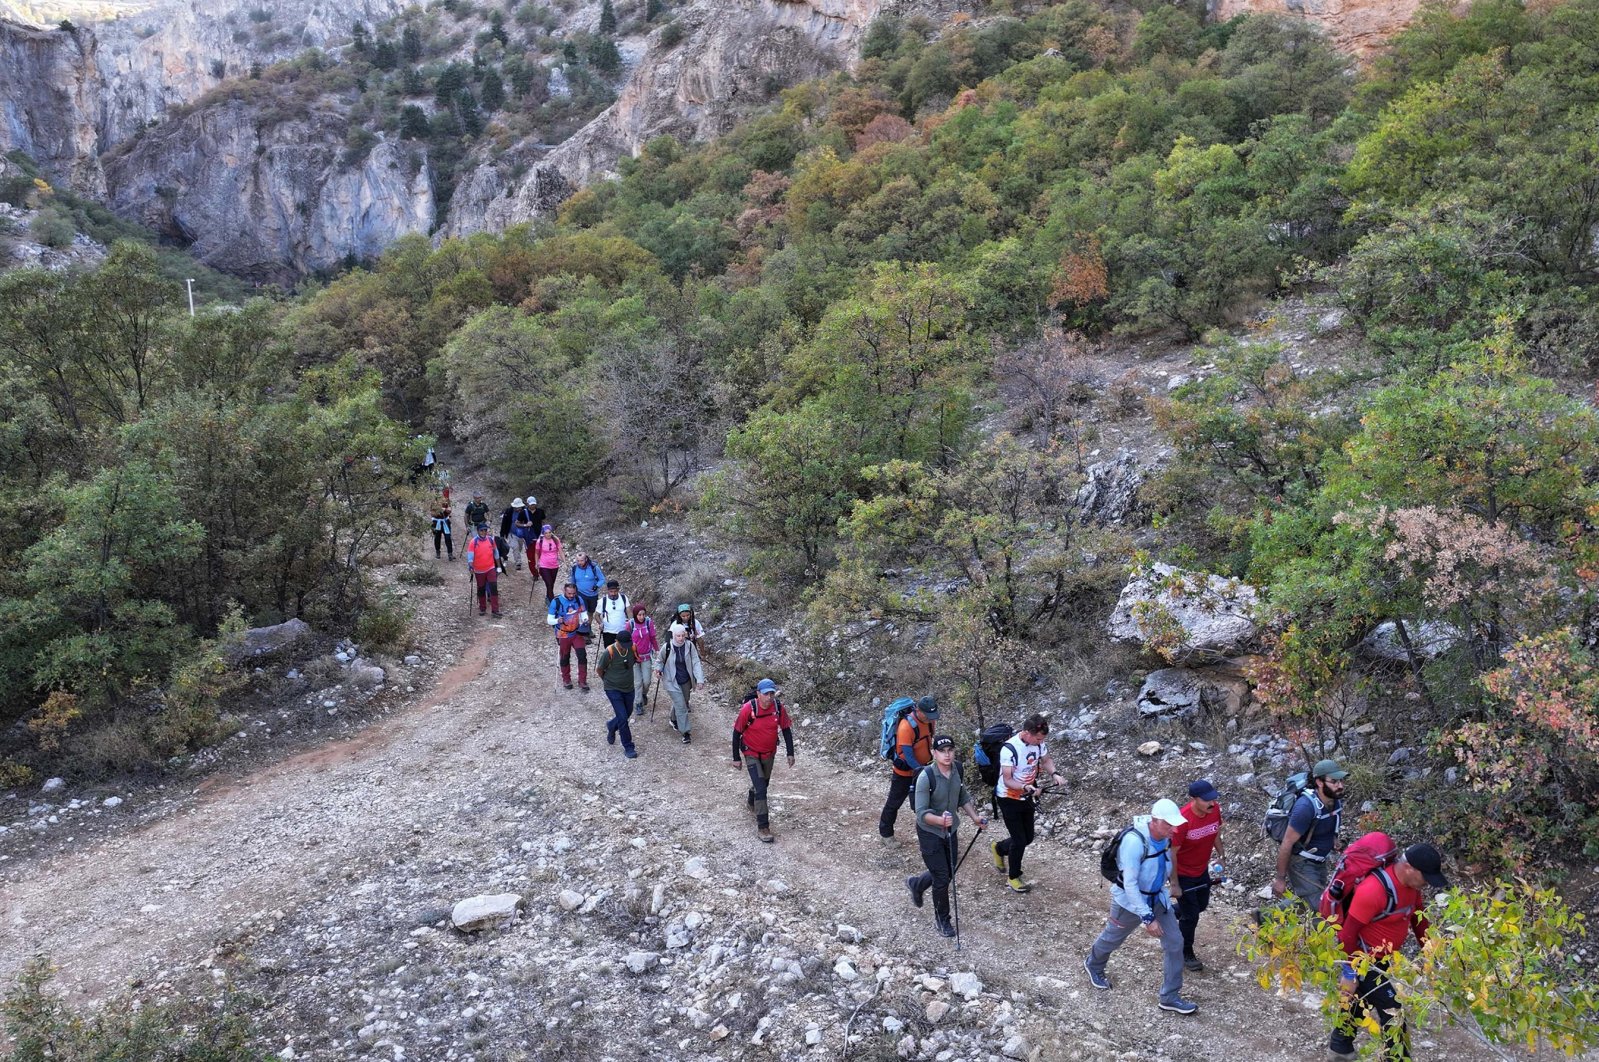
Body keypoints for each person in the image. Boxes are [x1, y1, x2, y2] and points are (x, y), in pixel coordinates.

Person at [1328, 844, 1448, 1060]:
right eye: (1426, 877)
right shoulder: (1373, 890)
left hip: (1383, 959)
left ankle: (1340, 1048)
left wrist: (1432, 957)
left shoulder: (1412, 888)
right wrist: (1350, 973)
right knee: (1393, 1010)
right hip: (1363, 960)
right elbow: (1347, 935)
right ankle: (1397, 1058)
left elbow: (1418, 920)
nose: (1427, 883)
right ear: (1410, 868)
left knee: (1360, 1002)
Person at [1084, 798, 1199, 1015]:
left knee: (1175, 942)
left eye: (1175, 825)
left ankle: (1170, 997)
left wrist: (1172, 885)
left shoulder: (1164, 835)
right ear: (1154, 821)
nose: (1174, 829)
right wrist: (1147, 918)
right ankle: (1094, 965)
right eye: (1168, 824)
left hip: (1157, 899)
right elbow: (1130, 884)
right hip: (1129, 902)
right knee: (1113, 938)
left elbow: (1166, 862)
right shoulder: (1134, 842)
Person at [905, 735, 986, 938]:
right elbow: (922, 813)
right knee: (942, 878)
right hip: (930, 832)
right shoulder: (926, 777)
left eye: (950, 750)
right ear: (934, 753)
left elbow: (962, 796)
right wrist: (941, 821)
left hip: (951, 830)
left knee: (947, 870)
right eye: (942, 751)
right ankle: (943, 920)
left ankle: (917, 884)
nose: (947, 754)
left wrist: (975, 817)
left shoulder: (957, 769)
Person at [990, 713, 1063, 893]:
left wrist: (1054, 774)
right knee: (1019, 840)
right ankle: (1014, 877)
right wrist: (1026, 787)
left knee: (1028, 837)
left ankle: (999, 848)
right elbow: (1007, 780)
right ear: (1027, 732)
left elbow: (1046, 760)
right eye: (1038, 739)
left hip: (1027, 795)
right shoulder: (1009, 749)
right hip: (1008, 797)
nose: (1040, 743)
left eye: (1042, 740)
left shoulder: (1038, 743)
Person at [1271, 758, 1348, 912]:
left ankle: (1264, 917)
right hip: (1302, 862)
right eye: (1334, 781)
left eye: (1341, 781)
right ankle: (1326, 936)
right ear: (1319, 782)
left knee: (1307, 901)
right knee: (1321, 908)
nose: (1340, 786)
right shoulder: (1305, 807)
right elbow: (1287, 843)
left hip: (1320, 861)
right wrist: (1280, 879)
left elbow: (1325, 826)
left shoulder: (1334, 800)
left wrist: (1335, 842)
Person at [1170, 779, 1226, 972]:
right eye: (1206, 800)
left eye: (1213, 799)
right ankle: (1184, 952)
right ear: (1193, 799)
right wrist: (1174, 883)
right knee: (1191, 915)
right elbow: (1172, 853)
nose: (1212, 803)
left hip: (1201, 869)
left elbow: (1215, 832)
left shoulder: (1215, 810)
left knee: (1201, 905)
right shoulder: (1183, 820)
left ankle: (1170, 912)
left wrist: (1221, 856)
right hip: (1183, 873)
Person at [731, 679, 794, 843]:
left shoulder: (778, 708)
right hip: (750, 752)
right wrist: (736, 758)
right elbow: (736, 733)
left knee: (763, 784)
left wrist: (790, 753)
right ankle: (763, 827)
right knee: (762, 789)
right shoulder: (748, 709)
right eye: (766, 693)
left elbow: (786, 729)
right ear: (758, 694)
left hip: (769, 753)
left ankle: (752, 798)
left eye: (772, 693)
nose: (769, 697)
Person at [878, 696, 939, 841]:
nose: (931, 719)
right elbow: (908, 756)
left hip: (923, 768)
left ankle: (934, 834)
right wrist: (924, 772)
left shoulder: (930, 721)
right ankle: (886, 834)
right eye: (928, 716)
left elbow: (931, 741)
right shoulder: (906, 726)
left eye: (933, 716)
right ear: (918, 711)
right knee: (894, 802)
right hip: (904, 773)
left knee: (927, 803)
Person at [656, 623, 704, 743]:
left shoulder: (689, 646)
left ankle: (673, 719)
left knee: (684, 700)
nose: (681, 638)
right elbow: (659, 660)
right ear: (673, 636)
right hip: (671, 681)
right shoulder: (667, 647)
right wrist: (658, 670)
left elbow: (696, 662)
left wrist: (700, 679)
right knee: (682, 706)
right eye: (678, 636)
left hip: (686, 681)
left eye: (683, 635)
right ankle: (685, 732)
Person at [596, 628, 640, 759]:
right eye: (622, 645)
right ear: (617, 641)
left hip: (629, 688)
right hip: (613, 689)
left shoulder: (632, 648)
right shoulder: (609, 652)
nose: (624, 647)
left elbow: (637, 661)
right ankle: (628, 746)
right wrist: (607, 681)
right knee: (622, 718)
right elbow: (599, 669)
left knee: (627, 713)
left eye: (627, 644)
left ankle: (611, 725)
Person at [547, 581, 591, 691]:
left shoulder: (578, 599)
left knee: (582, 656)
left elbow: (583, 613)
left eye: (573, 593)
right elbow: (549, 620)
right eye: (569, 593)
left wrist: (585, 620)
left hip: (577, 632)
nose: (572, 596)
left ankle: (582, 681)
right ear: (564, 591)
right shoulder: (556, 602)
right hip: (563, 634)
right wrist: (557, 620)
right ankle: (566, 679)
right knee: (565, 657)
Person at [627, 603, 658, 716]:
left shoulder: (648, 622)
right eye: (639, 615)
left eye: (643, 614)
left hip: (646, 656)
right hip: (633, 657)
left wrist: (657, 650)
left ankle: (643, 694)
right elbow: (625, 640)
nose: (641, 617)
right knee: (638, 682)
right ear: (635, 615)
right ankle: (638, 703)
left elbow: (653, 638)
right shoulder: (630, 624)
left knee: (647, 681)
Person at [465, 522, 501, 617]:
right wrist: (470, 565)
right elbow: (470, 555)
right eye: (482, 530)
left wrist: (499, 566)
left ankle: (495, 610)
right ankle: (482, 608)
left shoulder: (491, 540)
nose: (484, 532)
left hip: (490, 568)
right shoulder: (474, 542)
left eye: (485, 530)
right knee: (481, 589)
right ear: (478, 531)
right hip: (479, 570)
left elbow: (496, 553)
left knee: (493, 588)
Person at [594, 579, 631, 648]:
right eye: (611, 592)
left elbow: (629, 611)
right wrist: (600, 623)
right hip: (608, 632)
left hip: (622, 630)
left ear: (618, 590)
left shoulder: (624, 598)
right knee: (610, 653)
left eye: (615, 591)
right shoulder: (603, 601)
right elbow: (596, 615)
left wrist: (631, 623)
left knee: (623, 651)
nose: (613, 594)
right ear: (607, 590)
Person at [532, 525, 563, 604]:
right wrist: (536, 563)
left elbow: (560, 551)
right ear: (543, 533)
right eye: (546, 533)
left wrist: (564, 561)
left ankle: (548, 597)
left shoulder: (556, 540)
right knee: (548, 583)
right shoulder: (540, 541)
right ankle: (552, 602)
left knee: (551, 583)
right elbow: (536, 553)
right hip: (544, 565)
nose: (548, 534)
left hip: (554, 565)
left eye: (549, 532)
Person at [430, 496, 453, 561]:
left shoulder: (446, 500)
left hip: (445, 521)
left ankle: (450, 553)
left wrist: (445, 510)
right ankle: (438, 552)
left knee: (448, 537)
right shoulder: (433, 502)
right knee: (437, 537)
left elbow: (450, 510)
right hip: (436, 522)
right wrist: (438, 511)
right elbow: (432, 513)